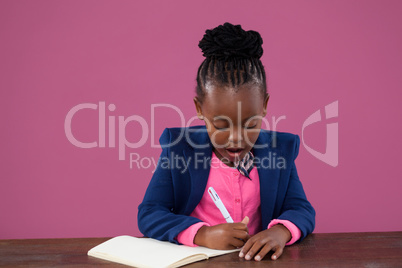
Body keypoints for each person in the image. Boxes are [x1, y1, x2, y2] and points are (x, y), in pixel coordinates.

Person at [138, 22, 315, 262]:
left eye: (250, 124)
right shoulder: (180, 149)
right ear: (200, 109)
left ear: (264, 106)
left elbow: (302, 209)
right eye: (221, 125)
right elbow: (149, 214)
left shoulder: (279, 151)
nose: (236, 138)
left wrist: (280, 232)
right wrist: (203, 234)